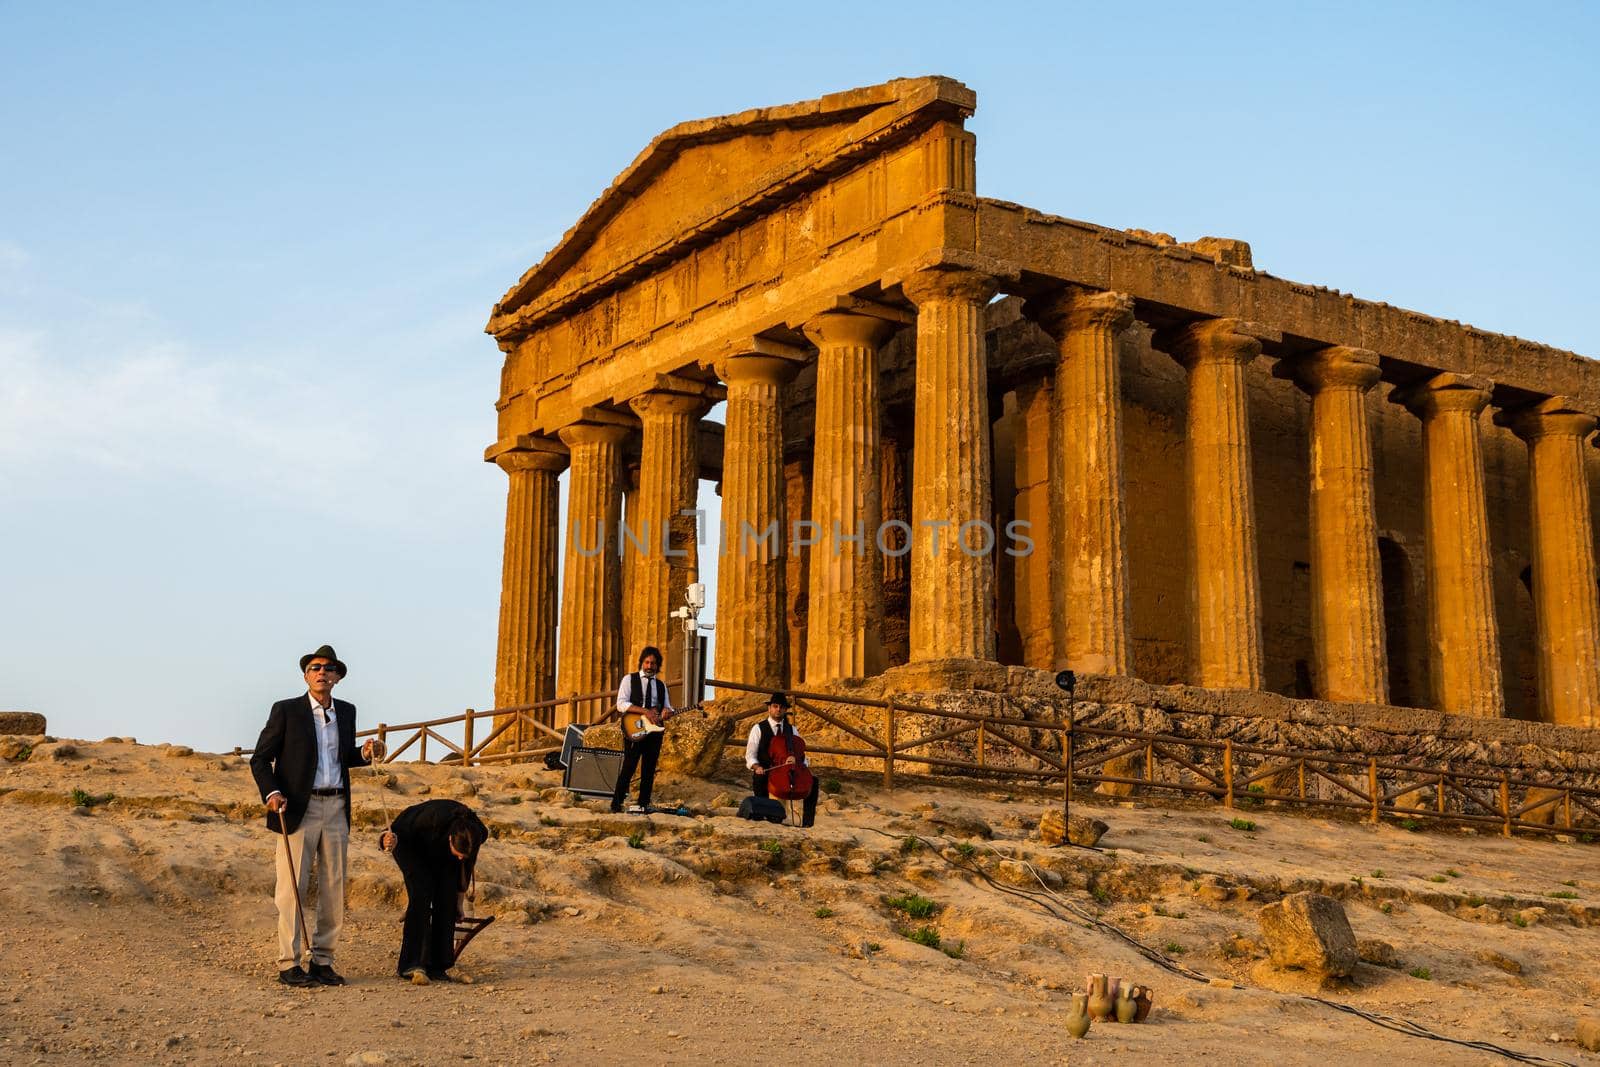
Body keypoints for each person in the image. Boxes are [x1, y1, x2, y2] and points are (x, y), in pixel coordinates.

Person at [249, 644, 382, 987]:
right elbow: (260, 759)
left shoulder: (347, 712)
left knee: (334, 886)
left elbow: (342, 757)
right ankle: (288, 963)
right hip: (296, 808)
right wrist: (272, 791)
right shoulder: (287, 710)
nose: (322, 672)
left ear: (337, 677)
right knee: (292, 887)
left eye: (328, 668)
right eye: (315, 667)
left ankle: (323, 961)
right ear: (306, 675)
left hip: (336, 806)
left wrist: (365, 754)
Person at [378, 799, 488, 984]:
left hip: (442, 852)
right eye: (458, 853)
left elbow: (465, 867)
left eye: (464, 855)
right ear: (451, 839)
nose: (461, 857)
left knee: (447, 899)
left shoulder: (477, 833)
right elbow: (394, 830)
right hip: (408, 842)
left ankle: (438, 965)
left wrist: (459, 903)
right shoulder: (429, 820)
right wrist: (385, 839)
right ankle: (411, 964)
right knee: (421, 893)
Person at [611, 645, 676, 814]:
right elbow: (621, 704)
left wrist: (667, 712)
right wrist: (645, 711)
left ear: (657, 665)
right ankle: (616, 803)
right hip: (634, 727)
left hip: (654, 731)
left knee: (649, 767)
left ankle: (643, 803)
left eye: (653, 663)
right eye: (647, 662)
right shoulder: (629, 679)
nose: (649, 666)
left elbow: (667, 707)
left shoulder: (661, 685)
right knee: (629, 765)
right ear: (642, 663)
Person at [745, 692, 819, 827]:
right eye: (775, 706)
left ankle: (808, 823)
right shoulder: (758, 728)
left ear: (785, 710)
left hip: (789, 770)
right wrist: (757, 767)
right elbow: (750, 755)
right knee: (759, 778)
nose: (778, 709)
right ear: (769, 708)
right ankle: (762, 816)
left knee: (813, 782)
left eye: (781, 707)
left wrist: (799, 764)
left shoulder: (792, 730)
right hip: (767, 769)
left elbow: (801, 755)